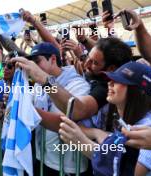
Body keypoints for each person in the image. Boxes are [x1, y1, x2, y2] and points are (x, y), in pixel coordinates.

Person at [12, 37, 132, 130]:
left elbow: (77, 110)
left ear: (111, 68)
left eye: (94, 62)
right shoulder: (94, 77)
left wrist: (44, 81)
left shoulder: (105, 87)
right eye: (86, 57)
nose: (86, 64)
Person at [59, 62, 151, 175]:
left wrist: (82, 142)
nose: (110, 83)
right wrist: (97, 133)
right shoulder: (109, 110)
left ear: (137, 90)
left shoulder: (149, 126)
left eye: (119, 80)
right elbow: (80, 126)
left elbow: (132, 172)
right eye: (110, 78)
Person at [27, 42, 90, 175]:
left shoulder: (77, 84)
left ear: (53, 59)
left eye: (37, 61)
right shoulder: (39, 84)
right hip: (43, 158)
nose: (34, 67)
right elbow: (30, 104)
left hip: (69, 165)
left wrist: (25, 109)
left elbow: (69, 120)